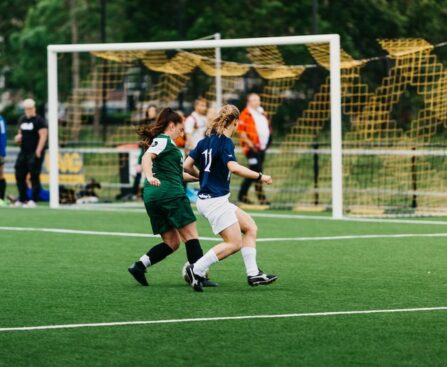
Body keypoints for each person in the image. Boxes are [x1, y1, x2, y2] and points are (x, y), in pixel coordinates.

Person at [183, 104, 278, 292]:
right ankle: (197, 269)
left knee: (250, 227)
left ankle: (253, 274)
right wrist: (261, 176)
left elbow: (186, 165)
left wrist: (201, 177)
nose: (236, 129)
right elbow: (234, 167)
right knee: (234, 243)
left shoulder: (204, 142)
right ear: (233, 122)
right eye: (236, 125)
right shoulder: (225, 142)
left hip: (210, 199)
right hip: (214, 201)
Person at [128, 107, 217, 287]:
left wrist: (202, 177)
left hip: (153, 197)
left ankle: (139, 266)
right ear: (171, 125)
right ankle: (198, 276)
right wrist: (150, 176)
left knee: (172, 242)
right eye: (180, 127)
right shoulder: (163, 140)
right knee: (191, 235)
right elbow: (146, 158)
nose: (182, 132)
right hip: (170, 194)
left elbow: (178, 174)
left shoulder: (168, 146)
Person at [237, 93, 272, 205]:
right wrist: (251, 144)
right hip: (251, 149)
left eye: (258, 100)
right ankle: (243, 195)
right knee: (255, 171)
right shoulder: (245, 114)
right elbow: (241, 132)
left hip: (261, 148)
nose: (257, 102)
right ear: (249, 102)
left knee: (258, 172)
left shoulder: (262, 113)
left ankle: (260, 198)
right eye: (254, 100)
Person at [14, 99, 48, 208]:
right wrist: (17, 139)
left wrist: (38, 150)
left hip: (34, 152)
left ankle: (33, 199)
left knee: (34, 176)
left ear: (34, 108)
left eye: (30, 108)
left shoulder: (39, 121)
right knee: (19, 174)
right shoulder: (22, 120)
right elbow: (19, 135)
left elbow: (43, 136)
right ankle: (22, 198)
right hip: (24, 151)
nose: (29, 110)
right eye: (27, 109)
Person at [132, 105, 158, 198]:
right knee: (139, 169)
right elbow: (141, 138)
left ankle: (149, 191)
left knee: (153, 171)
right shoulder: (144, 123)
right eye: (150, 111)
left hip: (155, 149)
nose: (152, 112)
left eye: (153, 111)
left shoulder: (159, 123)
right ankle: (135, 192)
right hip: (145, 149)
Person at [0, 114, 7, 206]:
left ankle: (1, 199)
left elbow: (3, 135)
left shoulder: (0, 119)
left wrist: (1, 152)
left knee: (0, 174)